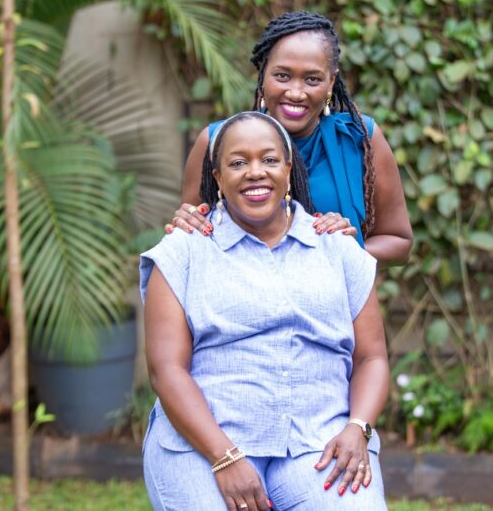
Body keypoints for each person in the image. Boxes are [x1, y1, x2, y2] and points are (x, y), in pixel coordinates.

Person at [141, 111, 390, 511]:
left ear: (289, 170)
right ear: (217, 178)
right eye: (238, 163)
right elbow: (166, 370)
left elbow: (372, 357)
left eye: (270, 160)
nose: (255, 172)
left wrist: (357, 427)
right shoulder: (182, 252)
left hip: (319, 443)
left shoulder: (338, 248)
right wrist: (224, 457)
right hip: (205, 444)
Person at [170, 11, 412, 264]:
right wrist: (189, 224)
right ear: (262, 75)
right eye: (283, 76)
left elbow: (399, 242)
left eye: (312, 79)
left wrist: (342, 250)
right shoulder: (215, 142)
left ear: (331, 82)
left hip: (334, 299)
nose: (296, 93)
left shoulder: (360, 138)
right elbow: (193, 234)